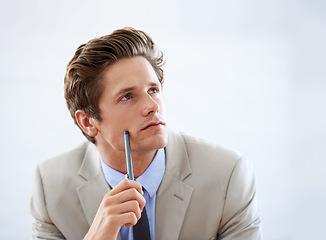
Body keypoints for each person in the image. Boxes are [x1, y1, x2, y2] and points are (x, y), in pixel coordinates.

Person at [30, 27, 263, 240]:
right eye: (127, 96)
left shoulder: (228, 175)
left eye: (153, 89)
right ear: (88, 122)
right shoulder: (50, 187)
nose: (152, 105)